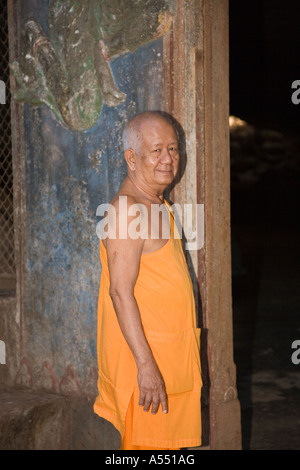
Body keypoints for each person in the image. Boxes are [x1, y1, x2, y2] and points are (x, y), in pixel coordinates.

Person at [94, 111, 202, 450]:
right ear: (132, 158)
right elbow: (120, 292)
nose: (168, 159)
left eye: (173, 149)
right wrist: (146, 367)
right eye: (157, 150)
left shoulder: (159, 205)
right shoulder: (128, 210)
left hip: (171, 357)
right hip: (148, 364)